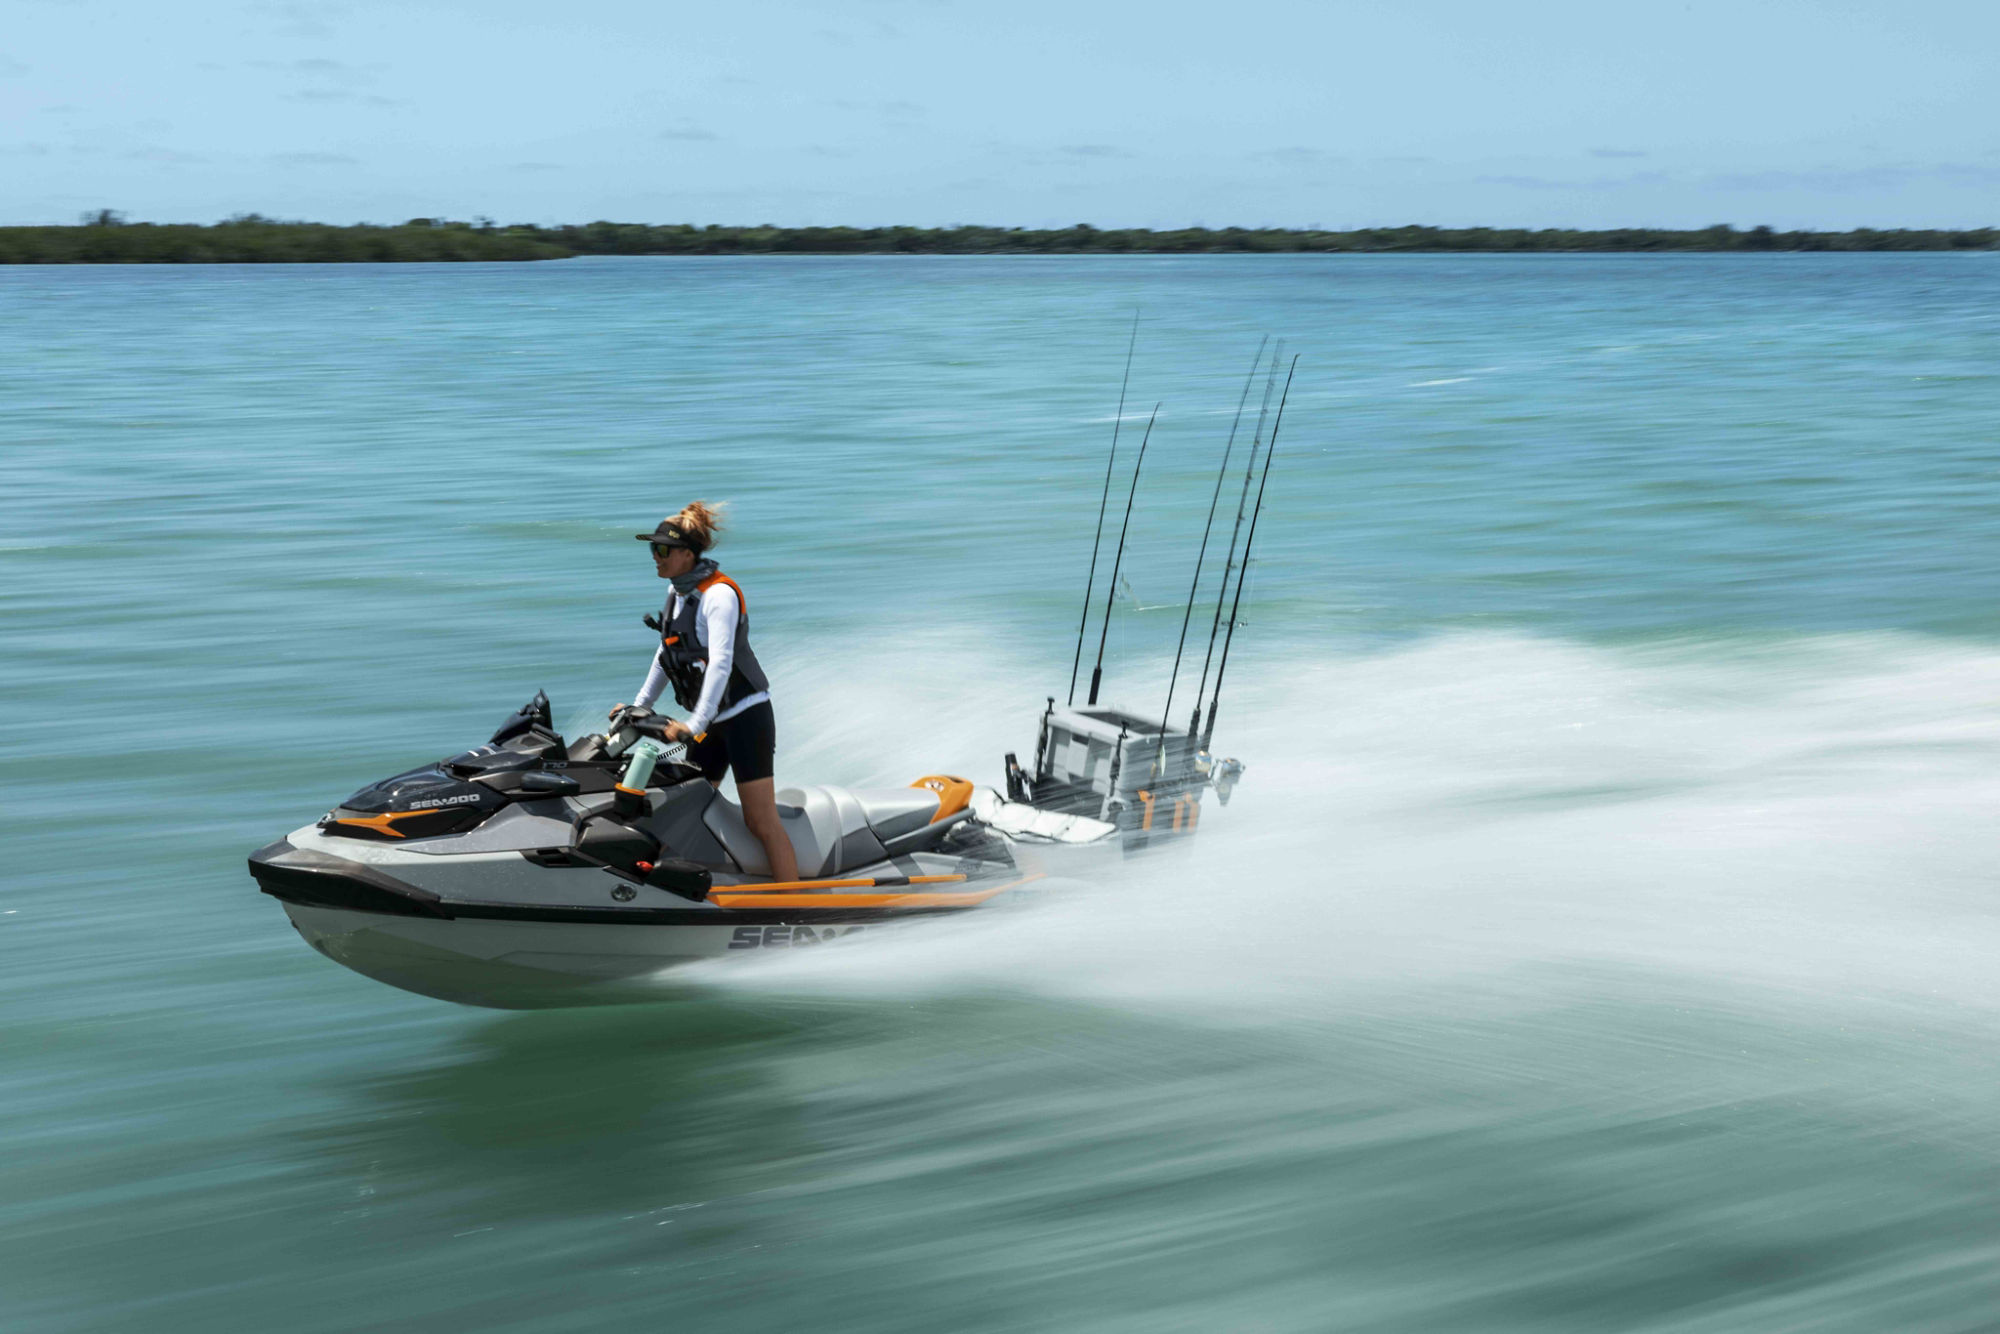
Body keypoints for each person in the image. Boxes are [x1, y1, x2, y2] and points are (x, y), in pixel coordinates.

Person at [613, 501, 799, 882]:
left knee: (759, 820)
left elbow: (720, 662)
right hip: (710, 722)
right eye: (653, 549)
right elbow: (666, 652)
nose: (655, 557)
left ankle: (794, 905)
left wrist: (694, 722)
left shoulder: (719, 595)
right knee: (685, 807)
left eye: (663, 550)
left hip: (745, 717)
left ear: (686, 553)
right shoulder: (676, 591)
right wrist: (638, 706)